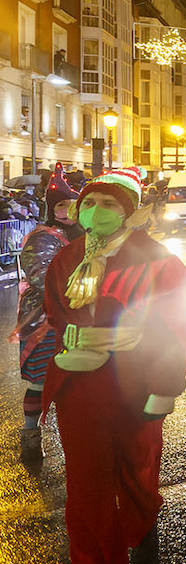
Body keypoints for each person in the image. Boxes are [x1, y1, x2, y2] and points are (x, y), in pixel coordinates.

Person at [40, 167, 186, 564]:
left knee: (139, 469)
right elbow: (54, 310)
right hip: (80, 385)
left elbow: (173, 328)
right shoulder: (65, 258)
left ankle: (143, 526)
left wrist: (164, 387)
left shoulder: (160, 261)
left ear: (129, 212)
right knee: (85, 484)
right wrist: (74, 334)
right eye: (89, 203)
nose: (96, 211)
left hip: (136, 381)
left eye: (109, 204)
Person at [13, 165, 81, 464]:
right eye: (60, 205)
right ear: (51, 208)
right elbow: (43, 276)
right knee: (41, 380)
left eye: (71, 204)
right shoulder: (43, 237)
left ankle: (79, 439)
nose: (66, 210)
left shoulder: (81, 234)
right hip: (44, 319)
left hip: (75, 316)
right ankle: (30, 435)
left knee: (77, 381)